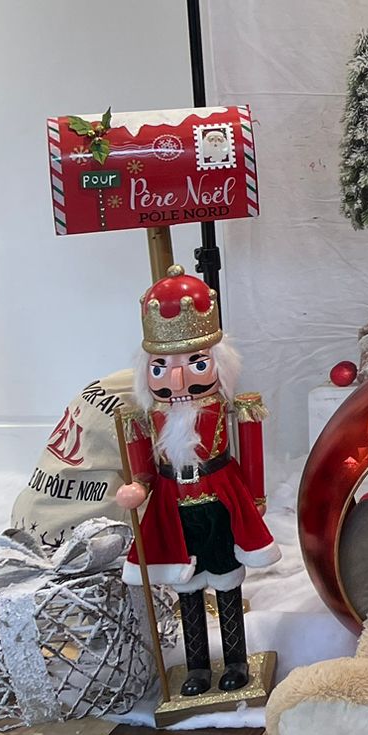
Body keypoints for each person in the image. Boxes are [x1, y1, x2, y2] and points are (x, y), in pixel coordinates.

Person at [114, 269, 277, 696]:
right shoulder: (145, 418)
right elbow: (143, 471)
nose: (179, 381)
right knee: (186, 587)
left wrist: (256, 497)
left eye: (197, 364)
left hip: (218, 504)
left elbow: (250, 451)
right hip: (173, 510)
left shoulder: (227, 408)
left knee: (226, 579)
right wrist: (137, 488)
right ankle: (197, 667)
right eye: (162, 368)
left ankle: (236, 661)